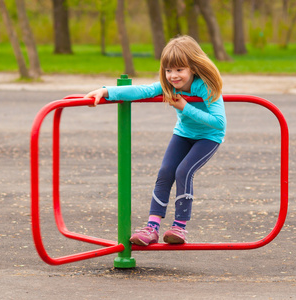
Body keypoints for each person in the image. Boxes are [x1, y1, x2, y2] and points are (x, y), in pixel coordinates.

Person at [84, 35, 226, 246]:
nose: (173, 76)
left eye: (179, 70)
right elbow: (142, 90)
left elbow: (218, 123)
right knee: (165, 172)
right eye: (168, 70)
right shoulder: (168, 85)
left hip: (208, 137)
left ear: (193, 68)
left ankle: (179, 227)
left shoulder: (206, 87)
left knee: (183, 171)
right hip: (184, 133)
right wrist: (107, 91)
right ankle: (152, 227)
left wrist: (185, 107)